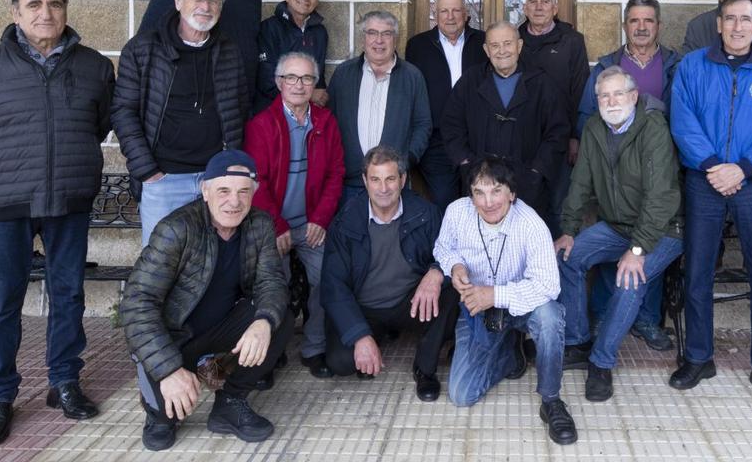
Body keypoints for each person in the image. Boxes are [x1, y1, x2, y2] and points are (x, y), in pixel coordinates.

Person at [0, 0, 114, 447]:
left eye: (55, 4)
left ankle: (64, 382)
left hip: (68, 201)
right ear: (15, 12)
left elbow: (97, 126)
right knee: (1, 304)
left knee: (69, 295)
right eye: (34, 4)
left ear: (66, 10)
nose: (46, 13)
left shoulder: (96, 68)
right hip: (5, 205)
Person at [668, 0, 752, 408]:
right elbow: (682, 119)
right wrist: (713, 165)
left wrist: (742, 167)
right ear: (718, 24)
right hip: (703, 179)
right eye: (730, 19)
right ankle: (699, 357)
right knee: (699, 272)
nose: (738, 27)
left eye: (746, 19)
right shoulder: (692, 66)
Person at [120, 150, 293, 451]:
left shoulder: (260, 224)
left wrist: (263, 321)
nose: (234, 201)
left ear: (255, 192)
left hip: (218, 336)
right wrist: (168, 371)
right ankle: (159, 409)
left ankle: (229, 402)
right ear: (205, 190)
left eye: (243, 192)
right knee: (165, 418)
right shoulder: (176, 229)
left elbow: (272, 282)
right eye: (223, 191)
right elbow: (136, 303)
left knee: (278, 318)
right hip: (173, 342)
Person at [556, 66, 684, 402]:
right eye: (603, 96)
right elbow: (581, 182)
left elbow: (661, 197)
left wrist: (638, 249)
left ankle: (601, 361)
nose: (611, 101)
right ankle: (579, 341)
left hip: (664, 230)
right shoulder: (596, 127)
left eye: (618, 94)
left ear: (633, 96)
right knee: (567, 257)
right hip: (617, 226)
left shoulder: (653, 127)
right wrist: (568, 230)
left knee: (630, 279)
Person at [436, 157, 577, 445]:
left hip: (520, 306)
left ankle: (551, 400)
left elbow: (548, 286)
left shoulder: (531, 225)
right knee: (461, 394)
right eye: (479, 192)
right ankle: (511, 353)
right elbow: (443, 247)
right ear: (470, 194)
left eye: (496, 190)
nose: (488, 202)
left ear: (512, 193)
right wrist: (455, 266)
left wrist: (496, 295)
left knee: (550, 316)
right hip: (477, 308)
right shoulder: (456, 212)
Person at [576, 0, 682, 351]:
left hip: (660, 164)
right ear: (625, 25)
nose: (641, 27)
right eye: (634, 20)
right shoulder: (608, 64)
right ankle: (605, 317)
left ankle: (646, 320)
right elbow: (589, 115)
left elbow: (682, 114)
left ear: (658, 25)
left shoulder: (673, 64)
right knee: (614, 237)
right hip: (614, 167)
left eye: (648, 21)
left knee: (645, 246)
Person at [113, 0, 247, 245]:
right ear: (177, 1)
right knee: (160, 271)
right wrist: (148, 173)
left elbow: (239, 108)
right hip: (164, 181)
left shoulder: (229, 50)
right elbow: (123, 112)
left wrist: (229, 169)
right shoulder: (142, 49)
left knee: (212, 270)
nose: (205, 6)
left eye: (213, 1)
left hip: (215, 181)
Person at [320, 146, 459, 401]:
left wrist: (436, 272)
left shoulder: (425, 213)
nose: (383, 188)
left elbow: (452, 253)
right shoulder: (345, 221)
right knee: (341, 362)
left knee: (452, 292)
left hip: (409, 302)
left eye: (390, 178)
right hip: (365, 307)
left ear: (403, 180)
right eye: (375, 179)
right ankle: (374, 335)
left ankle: (425, 368)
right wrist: (359, 335)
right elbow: (333, 286)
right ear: (364, 181)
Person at [243, 52, 345, 378]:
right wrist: (277, 225)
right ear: (278, 83)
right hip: (275, 227)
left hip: (312, 225)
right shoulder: (262, 125)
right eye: (292, 78)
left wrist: (320, 219)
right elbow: (257, 181)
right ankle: (271, 353)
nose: (299, 85)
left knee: (326, 281)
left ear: (315, 84)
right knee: (275, 287)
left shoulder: (326, 122)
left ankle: (314, 348)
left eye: (306, 79)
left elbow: (335, 173)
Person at [441, 21, 569, 223]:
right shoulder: (470, 81)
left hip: (528, 185)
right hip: (480, 184)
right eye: (495, 45)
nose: (502, 51)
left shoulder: (542, 83)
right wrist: (467, 164)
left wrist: (537, 171)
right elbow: (451, 126)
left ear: (519, 46)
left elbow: (557, 133)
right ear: (486, 50)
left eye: (508, 44)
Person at [326, 10, 432, 201]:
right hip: (350, 183)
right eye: (372, 33)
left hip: (393, 183)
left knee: (392, 231)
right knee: (350, 230)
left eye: (386, 34)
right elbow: (328, 122)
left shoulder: (412, 76)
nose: (379, 40)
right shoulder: (343, 74)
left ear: (395, 39)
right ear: (363, 38)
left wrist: (406, 161)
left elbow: (423, 124)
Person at [406, 0, 488, 211]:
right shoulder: (417, 46)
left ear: (466, 13)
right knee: (446, 204)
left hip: (476, 138)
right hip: (437, 141)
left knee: (481, 200)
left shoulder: (483, 43)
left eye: (456, 10)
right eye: (444, 11)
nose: (450, 16)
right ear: (435, 14)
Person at [517, 0, 589, 236]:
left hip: (560, 140)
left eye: (545, 1)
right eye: (533, 2)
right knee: (524, 209)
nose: (538, 7)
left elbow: (580, 91)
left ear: (555, 8)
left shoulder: (572, 41)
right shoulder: (514, 42)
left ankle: (559, 270)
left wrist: (575, 137)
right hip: (523, 142)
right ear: (525, 8)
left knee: (559, 209)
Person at [256, 0, 329, 113]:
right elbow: (266, 80)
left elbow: (318, 79)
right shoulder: (268, 28)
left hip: (307, 115)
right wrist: (309, 95)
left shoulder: (320, 33)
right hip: (273, 113)